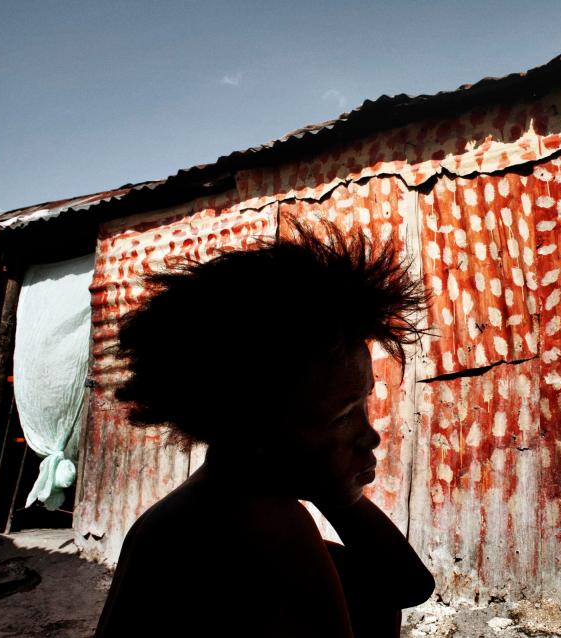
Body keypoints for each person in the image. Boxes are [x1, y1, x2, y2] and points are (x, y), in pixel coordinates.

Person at [93, 220, 435, 637]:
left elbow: (407, 585)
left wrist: (336, 492)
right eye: (344, 414)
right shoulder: (260, 531)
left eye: (364, 402)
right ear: (254, 429)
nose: (371, 435)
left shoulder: (225, 502)